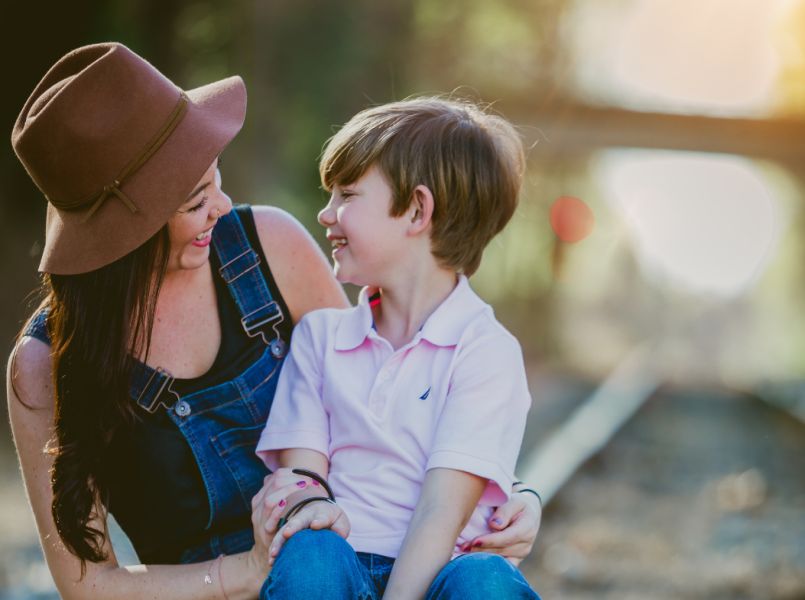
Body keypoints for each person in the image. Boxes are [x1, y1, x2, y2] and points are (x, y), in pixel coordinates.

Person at [6, 43, 542, 600]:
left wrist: (506, 491)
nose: (222, 205)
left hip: (338, 568)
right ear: (123, 234)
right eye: (195, 201)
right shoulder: (44, 365)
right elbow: (88, 585)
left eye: (216, 179)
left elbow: (387, 412)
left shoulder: (270, 248)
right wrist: (252, 569)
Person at [255, 98, 540, 599]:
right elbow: (304, 481)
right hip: (338, 563)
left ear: (416, 209)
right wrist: (302, 504)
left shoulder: (485, 351)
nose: (326, 214)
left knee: (487, 582)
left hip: (438, 572)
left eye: (346, 195)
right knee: (311, 553)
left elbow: (441, 513)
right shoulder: (321, 338)